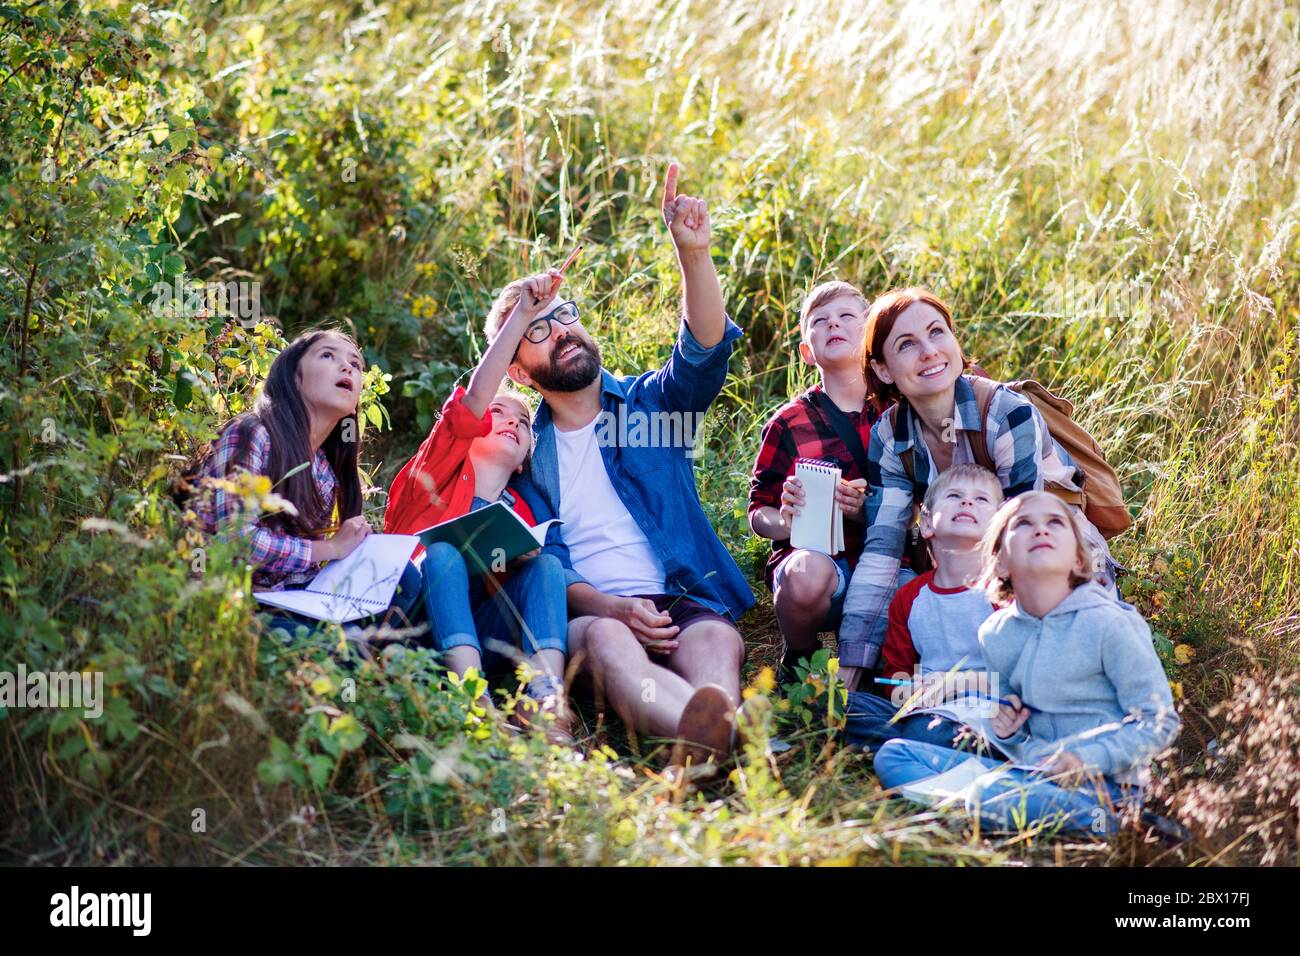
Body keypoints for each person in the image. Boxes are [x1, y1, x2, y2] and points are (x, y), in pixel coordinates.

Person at [493, 163, 756, 773]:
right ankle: (726, 740)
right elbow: (544, 565)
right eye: (536, 331)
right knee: (612, 645)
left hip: (681, 596)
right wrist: (612, 608)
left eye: (564, 315)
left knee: (716, 636)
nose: (561, 331)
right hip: (594, 616)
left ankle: (710, 732)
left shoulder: (649, 405)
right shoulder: (523, 455)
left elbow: (702, 356)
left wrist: (694, 255)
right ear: (515, 367)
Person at [838, 287, 1119, 690]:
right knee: (906, 592)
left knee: (1073, 633)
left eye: (937, 333)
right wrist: (852, 666)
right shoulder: (889, 436)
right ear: (883, 369)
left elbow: (1025, 531)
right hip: (962, 549)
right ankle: (941, 691)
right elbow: (882, 549)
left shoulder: (1008, 413)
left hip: (1051, 537)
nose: (929, 351)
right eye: (907, 345)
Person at [873, 491, 1181, 836]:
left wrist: (1083, 759)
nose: (1041, 530)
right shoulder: (996, 633)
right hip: (1029, 773)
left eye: (1055, 522)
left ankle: (1117, 823)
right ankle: (983, 814)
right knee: (893, 755)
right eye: (1023, 523)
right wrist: (1007, 730)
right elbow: (1016, 731)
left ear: (1079, 560)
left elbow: (1159, 722)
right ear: (1001, 561)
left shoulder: (1110, 624)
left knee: (985, 791)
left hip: (1105, 786)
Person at [384, 270, 578, 739]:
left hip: (486, 634)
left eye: (524, 422)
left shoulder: (528, 506)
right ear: (470, 435)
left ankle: (547, 703)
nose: (513, 421)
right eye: (499, 413)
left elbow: (548, 580)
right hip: (415, 634)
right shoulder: (436, 472)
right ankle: (473, 703)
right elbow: (470, 404)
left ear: (522, 461)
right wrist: (522, 316)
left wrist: (520, 558)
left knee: (547, 565)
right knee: (445, 552)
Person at [179, 328, 422, 647]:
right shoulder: (252, 433)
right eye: (328, 356)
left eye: (356, 365)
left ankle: (374, 662)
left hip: (290, 603)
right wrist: (329, 549)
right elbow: (234, 537)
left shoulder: (325, 471)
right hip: (232, 603)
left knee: (403, 576)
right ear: (294, 378)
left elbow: (301, 567)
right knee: (339, 647)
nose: (347, 368)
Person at [748, 280, 877, 689]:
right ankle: (801, 662)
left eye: (846, 317)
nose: (833, 325)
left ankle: (867, 666)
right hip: (826, 570)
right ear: (807, 352)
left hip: (891, 566)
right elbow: (758, 510)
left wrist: (868, 507)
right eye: (820, 322)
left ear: (870, 333)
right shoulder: (789, 422)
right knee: (806, 571)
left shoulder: (898, 410)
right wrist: (785, 523)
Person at [841, 464, 1003, 753]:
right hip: (924, 708)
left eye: (981, 499)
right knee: (836, 704)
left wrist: (955, 684)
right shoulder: (909, 597)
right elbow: (896, 673)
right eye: (954, 495)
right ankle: (915, 746)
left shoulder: (1004, 592)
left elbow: (1023, 677)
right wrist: (907, 691)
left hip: (985, 711)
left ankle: (915, 747)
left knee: (926, 732)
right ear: (926, 524)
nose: (967, 502)